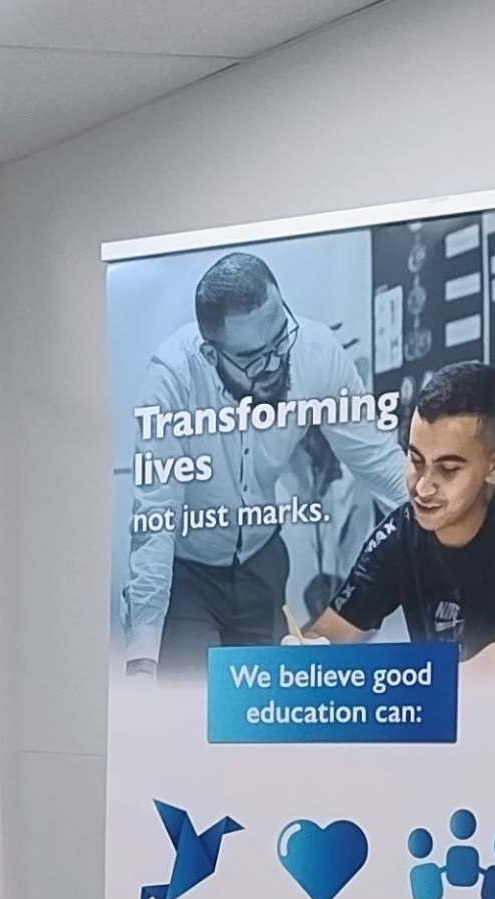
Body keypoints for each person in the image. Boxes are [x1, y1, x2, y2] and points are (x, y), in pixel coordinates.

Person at [117, 251, 404, 677]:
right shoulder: (172, 379)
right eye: (254, 358)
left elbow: (379, 462)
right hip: (190, 572)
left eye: (280, 339)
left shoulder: (314, 350)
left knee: (261, 714)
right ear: (214, 355)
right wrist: (140, 662)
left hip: (262, 561)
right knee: (192, 707)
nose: (276, 363)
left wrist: (464, 517)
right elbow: (155, 521)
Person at [294, 360, 495, 687]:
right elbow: (326, 635)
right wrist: (299, 657)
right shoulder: (400, 532)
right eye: (415, 461)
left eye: (448, 469)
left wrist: (390, 682)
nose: (422, 487)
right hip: (442, 726)